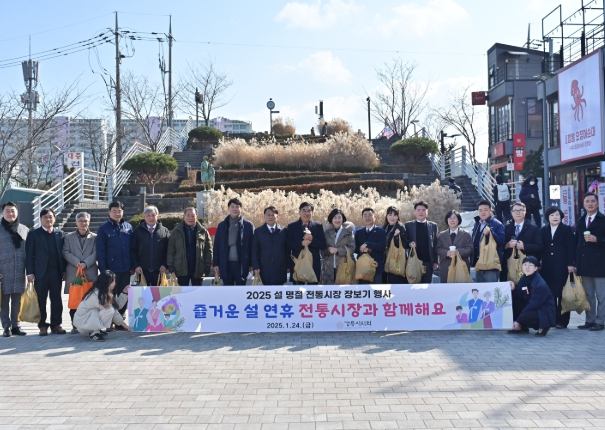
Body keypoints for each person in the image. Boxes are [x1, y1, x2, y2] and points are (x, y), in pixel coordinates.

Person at [26, 208, 66, 336]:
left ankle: (56, 324)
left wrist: (64, 270)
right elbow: (29, 255)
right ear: (41, 219)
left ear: (54, 218)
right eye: (45, 217)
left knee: (56, 300)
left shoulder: (60, 234)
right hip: (40, 273)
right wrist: (30, 273)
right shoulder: (34, 234)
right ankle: (42, 325)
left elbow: (63, 254)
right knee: (41, 300)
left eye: (50, 217)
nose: (48, 219)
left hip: (56, 273)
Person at [62, 212, 99, 334]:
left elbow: (96, 252)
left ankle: (89, 324)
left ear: (89, 222)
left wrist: (86, 263)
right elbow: (65, 252)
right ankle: (75, 325)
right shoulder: (68, 237)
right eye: (81, 221)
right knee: (75, 299)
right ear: (76, 222)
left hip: (90, 271)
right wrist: (77, 262)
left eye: (86, 221)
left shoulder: (95, 237)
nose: (83, 223)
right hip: (74, 272)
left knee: (90, 299)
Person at [540, 206, 576, 329]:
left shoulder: (566, 229)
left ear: (561, 216)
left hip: (562, 266)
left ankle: (563, 321)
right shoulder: (543, 230)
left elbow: (570, 247)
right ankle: (552, 318)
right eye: (552, 215)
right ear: (548, 217)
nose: (555, 217)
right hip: (547, 266)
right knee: (550, 293)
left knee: (562, 293)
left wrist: (571, 264)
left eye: (557, 215)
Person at [96, 201, 133, 319]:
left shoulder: (128, 227)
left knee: (124, 293)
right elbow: (100, 251)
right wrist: (103, 269)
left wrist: (132, 265)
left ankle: (120, 318)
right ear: (109, 212)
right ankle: (110, 319)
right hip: (111, 269)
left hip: (126, 268)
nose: (117, 214)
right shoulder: (103, 229)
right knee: (110, 295)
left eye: (119, 211)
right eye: (114, 211)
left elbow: (132, 248)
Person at [73, 270, 132, 342]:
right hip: (82, 323)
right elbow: (114, 310)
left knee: (109, 309)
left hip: (84, 321)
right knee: (109, 310)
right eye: (112, 282)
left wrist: (124, 293)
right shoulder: (98, 294)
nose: (115, 284)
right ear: (106, 283)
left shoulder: (102, 292)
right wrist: (124, 325)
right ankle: (94, 333)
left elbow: (117, 305)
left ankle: (95, 330)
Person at [575, 192, 605, 331]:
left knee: (602, 296)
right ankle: (590, 320)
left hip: (600, 263)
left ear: (597, 203)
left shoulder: (602, 220)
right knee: (588, 295)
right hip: (584, 263)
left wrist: (597, 239)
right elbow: (577, 242)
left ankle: (600, 321)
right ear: (584, 204)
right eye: (587, 201)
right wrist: (575, 262)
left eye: (593, 201)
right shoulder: (581, 220)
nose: (590, 204)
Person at [0, 202, 29, 337]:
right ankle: (6, 326)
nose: (10, 214)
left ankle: (16, 325)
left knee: (18, 299)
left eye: (13, 211)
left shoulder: (24, 229)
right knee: (3, 300)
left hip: (19, 269)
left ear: (17, 213)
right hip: (3, 270)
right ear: (2, 213)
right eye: (7, 211)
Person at [508, 256, 556, 336]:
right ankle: (523, 328)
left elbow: (533, 305)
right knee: (513, 299)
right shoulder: (524, 278)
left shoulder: (540, 284)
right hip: (533, 306)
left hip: (543, 311)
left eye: (530, 265)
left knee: (525, 315)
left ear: (536, 268)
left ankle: (544, 326)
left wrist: (518, 321)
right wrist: (513, 288)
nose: (527, 267)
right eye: (525, 264)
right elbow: (520, 293)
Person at [167, 207, 213, 286]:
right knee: (182, 290)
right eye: (188, 215)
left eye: (193, 216)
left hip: (198, 267)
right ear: (184, 216)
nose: (190, 218)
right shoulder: (176, 231)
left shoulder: (203, 232)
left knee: (197, 290)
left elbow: (208, 250)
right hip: (181, 267)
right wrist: (170, 265)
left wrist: (208, 264)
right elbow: (171, 249)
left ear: (196, 217)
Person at [214, 198, 254, 286]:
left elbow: (252, 246)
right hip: (225, 263)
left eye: (237, 207)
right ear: (228, 208)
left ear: (241, 209)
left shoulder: (248, 225)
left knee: (241, 289)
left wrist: (251, 264)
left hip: (242, 264)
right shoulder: (222, 225)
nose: (235, 209)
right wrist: (216, 264)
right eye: (232, 207)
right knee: (228, 289)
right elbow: (216, 245)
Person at [287, 202, 327, 285]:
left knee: (313, 290)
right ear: (299, 212)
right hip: (298, 263)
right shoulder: (292, 226)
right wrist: (301, 243)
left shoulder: (318, 226)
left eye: (309, 211)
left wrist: (312, 239)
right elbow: (288, 244)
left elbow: (323, 245)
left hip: (314, 264)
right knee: (298, 290)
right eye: (304, 210)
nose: (306, 213)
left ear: (312, 213)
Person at [502, 202, 543, 281]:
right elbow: (499, 245)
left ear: (525, 212)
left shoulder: (533, 228)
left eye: (520, 210)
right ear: (511, 213)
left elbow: (539, 246)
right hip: (509, 265)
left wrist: (524, 246)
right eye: (515, 210)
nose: (518, 213)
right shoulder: (505, 228)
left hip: (527, 265)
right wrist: (507, 245)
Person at [131, 206, 170, 286]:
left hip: (159, 270)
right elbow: (132, 250)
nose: (151, 218)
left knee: (160, 293)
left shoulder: (164, 231)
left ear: (157, 216)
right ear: (144, 217)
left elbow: (169, 250)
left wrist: (165, 264)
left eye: (153, 215)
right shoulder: (137, 231)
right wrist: (136, 266)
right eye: (148, 215)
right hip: (142, 270)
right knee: (142, 293)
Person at [252, 206, 288, 286]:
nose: (271, 217)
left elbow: (287, 250)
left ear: (277, 217)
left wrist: (288, 266)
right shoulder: (258, 232)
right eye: (268, 215)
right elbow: (255, 250)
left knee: (279, 291)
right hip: (264, 268)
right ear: (264, 216)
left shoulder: (283, 231)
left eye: (273, 215)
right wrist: (256, 266)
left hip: (280, 268)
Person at [471, 200, 505, 283]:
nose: (483, 212)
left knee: (491, 289)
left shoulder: (497, 224)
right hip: (479, 263)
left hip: (491, 264)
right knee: (480, 289)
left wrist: (491, 233)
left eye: (485, 210)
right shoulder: (477, 224)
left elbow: (501, 242)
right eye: (480, 210)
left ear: (491, 211)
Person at [436, 210, 473, 284]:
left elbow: (470, 248)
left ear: (459, 220)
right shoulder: (442, 235)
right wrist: (447, 252)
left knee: (461, 288)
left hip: (462, 265)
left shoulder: (466, 234)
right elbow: (438, 248)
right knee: (446, 288)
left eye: (454, 218)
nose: (452, 220)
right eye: (450, 218)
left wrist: (458, 252)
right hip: (446, 265)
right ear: (447, 220)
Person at [405, 201, 439, 283]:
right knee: (413, 285)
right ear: (414, 212)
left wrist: (436, 261)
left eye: (423, 210)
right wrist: (409, 244)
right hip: (414, 261)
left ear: (427, 212)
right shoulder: (408, 225)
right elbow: (404, 241)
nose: (421, 212)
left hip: (428, 262)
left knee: (427, 286)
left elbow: (435, 244)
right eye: (418, 210)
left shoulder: (433, 226)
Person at [321, 208, 356, 285]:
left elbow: (352, 248)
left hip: (344, 266)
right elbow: (322, 250)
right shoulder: (326, 233)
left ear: (343, 219)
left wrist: (338, 250)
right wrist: (328, 249)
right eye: (335, 218)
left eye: (339, 217)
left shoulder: (348, 232)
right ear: (331, 219)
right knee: (330, 290)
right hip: (328, 268)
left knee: (344, 290)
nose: (337, 220)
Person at [355, 208, 387, 284]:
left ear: (375, 217)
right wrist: (361, 249)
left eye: (370, 215)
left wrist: (368, 244)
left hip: (376, 266)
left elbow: (382, 246)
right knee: (364, 289)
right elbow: (355, 248)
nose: (367, 218)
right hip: (363, 267)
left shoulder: (381, 231)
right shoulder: (359, 233)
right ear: (362, 218)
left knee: (377, 290)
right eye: (365, 215)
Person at [382, 206, 409, 284]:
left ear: (398, 216)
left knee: (396, 283)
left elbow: (405, 245)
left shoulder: (401, 227)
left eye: (395, 215)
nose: (392, 217)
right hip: (385, 260)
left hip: (397, 260)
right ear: (387, 216)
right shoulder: (384, 227)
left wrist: (396, 237)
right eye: (390, 215)